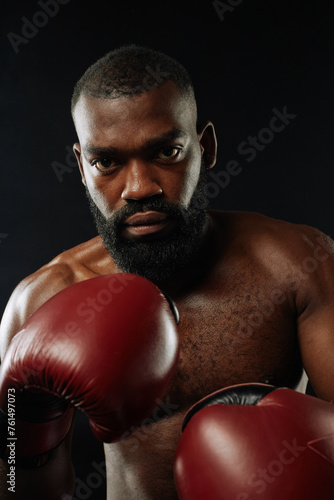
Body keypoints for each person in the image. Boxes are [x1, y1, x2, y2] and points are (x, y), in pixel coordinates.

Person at [1, 44, 334, 499]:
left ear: (206, 147)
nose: (140, 188)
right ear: (80, 167)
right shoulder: (41, 303)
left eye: (166, 151)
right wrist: (26, 444)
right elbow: (23, 488)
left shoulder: (297, 264)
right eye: (107, 162)